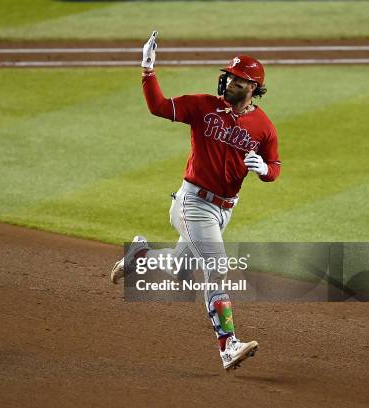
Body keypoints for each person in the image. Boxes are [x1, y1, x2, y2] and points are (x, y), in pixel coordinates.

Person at [111, 31, 281, 371]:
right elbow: (158, 106)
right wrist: (148, 69)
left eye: (239, 79)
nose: (230, 81)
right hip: (192, 203)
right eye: (229, 75)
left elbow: (275, 166)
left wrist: (264, 169)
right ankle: (228, 345)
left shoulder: (263, 126)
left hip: (223, 211)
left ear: (253, 88)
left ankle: (139, 254)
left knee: (180, 270)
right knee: (216, 269)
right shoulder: (203, 106)